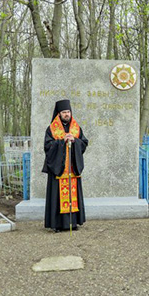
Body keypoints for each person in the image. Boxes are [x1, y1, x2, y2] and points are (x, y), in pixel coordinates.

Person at [43, 99, 88, 232]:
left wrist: (75, 141)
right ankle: (57, 224)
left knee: (72, 196)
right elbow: (47, 147)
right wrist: (62, 142)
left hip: (72, 169)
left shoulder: (76, 128)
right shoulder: (51, 129)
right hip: (58, 170)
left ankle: (73, 223)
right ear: (59, 113)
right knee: (57, 196)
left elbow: (84, 143)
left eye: (68, 112)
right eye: (64, 112)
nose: (67, 114)